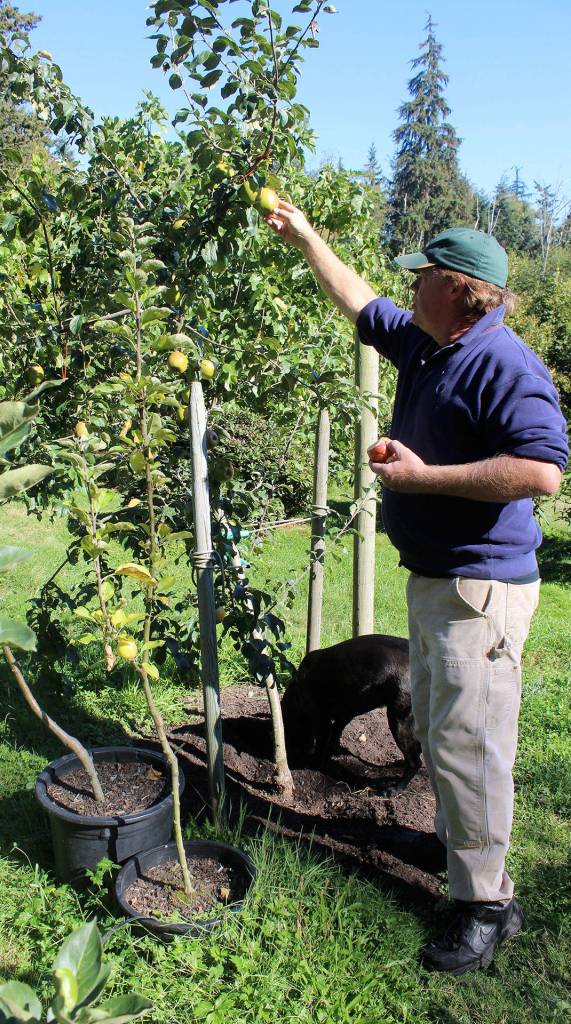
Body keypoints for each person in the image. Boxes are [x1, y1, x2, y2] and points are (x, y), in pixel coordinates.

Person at [266, 204, 568, 975]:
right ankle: (453, 847)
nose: (412, 285)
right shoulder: (432, 348)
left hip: (481, 592)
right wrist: (305, 238)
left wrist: (421, 476)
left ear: (459, 287)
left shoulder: (504, 365)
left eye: (423, 274)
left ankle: (486, 904)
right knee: (441, 733)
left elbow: (540, 470)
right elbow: (359, 302)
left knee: (471, 749)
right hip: (439, 582)